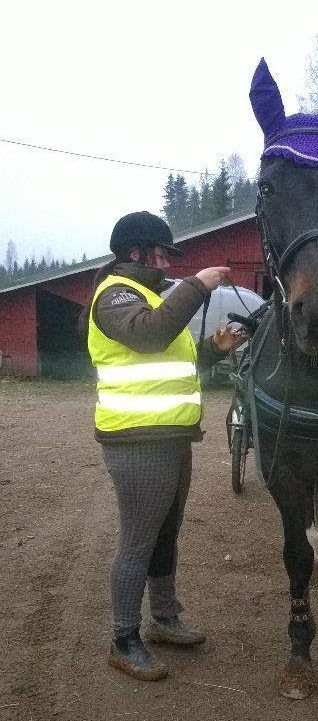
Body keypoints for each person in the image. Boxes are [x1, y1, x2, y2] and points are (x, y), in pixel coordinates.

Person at [85, 210, 244, 681]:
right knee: (138, 540)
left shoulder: (151, 298)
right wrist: (198, 285)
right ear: (136, 253)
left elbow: (174, 367)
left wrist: (213, 348)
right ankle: (124, 638)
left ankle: (164, 617)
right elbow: (150, 337)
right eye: (161, 254)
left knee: (164, 533)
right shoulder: (115, 294)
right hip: (137, 442)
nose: (167, 264)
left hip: (171, 438)